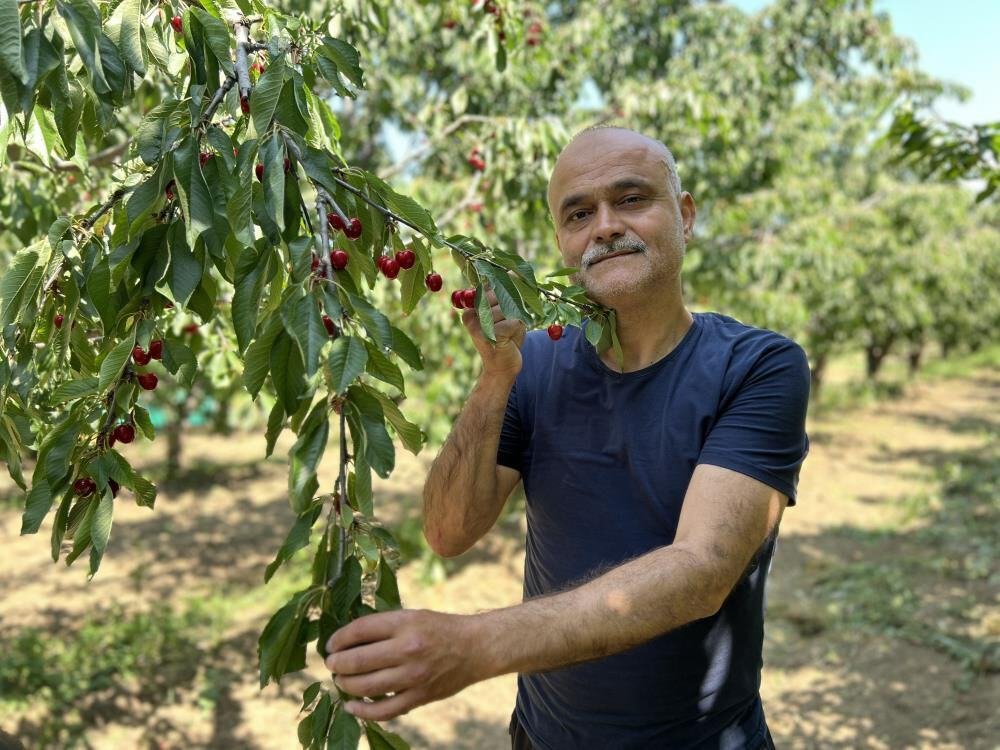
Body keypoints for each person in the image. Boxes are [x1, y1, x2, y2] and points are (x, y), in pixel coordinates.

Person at [323, 126, 810, 750]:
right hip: (543, 736)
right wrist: (495, 380)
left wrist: (473, 645)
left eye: (632, 200)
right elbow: (447, 533)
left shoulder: (758, 367)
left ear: (685, 217)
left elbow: (702, 568)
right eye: (579, 213)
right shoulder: (534, 364)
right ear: (561, 239)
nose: (604, 226)